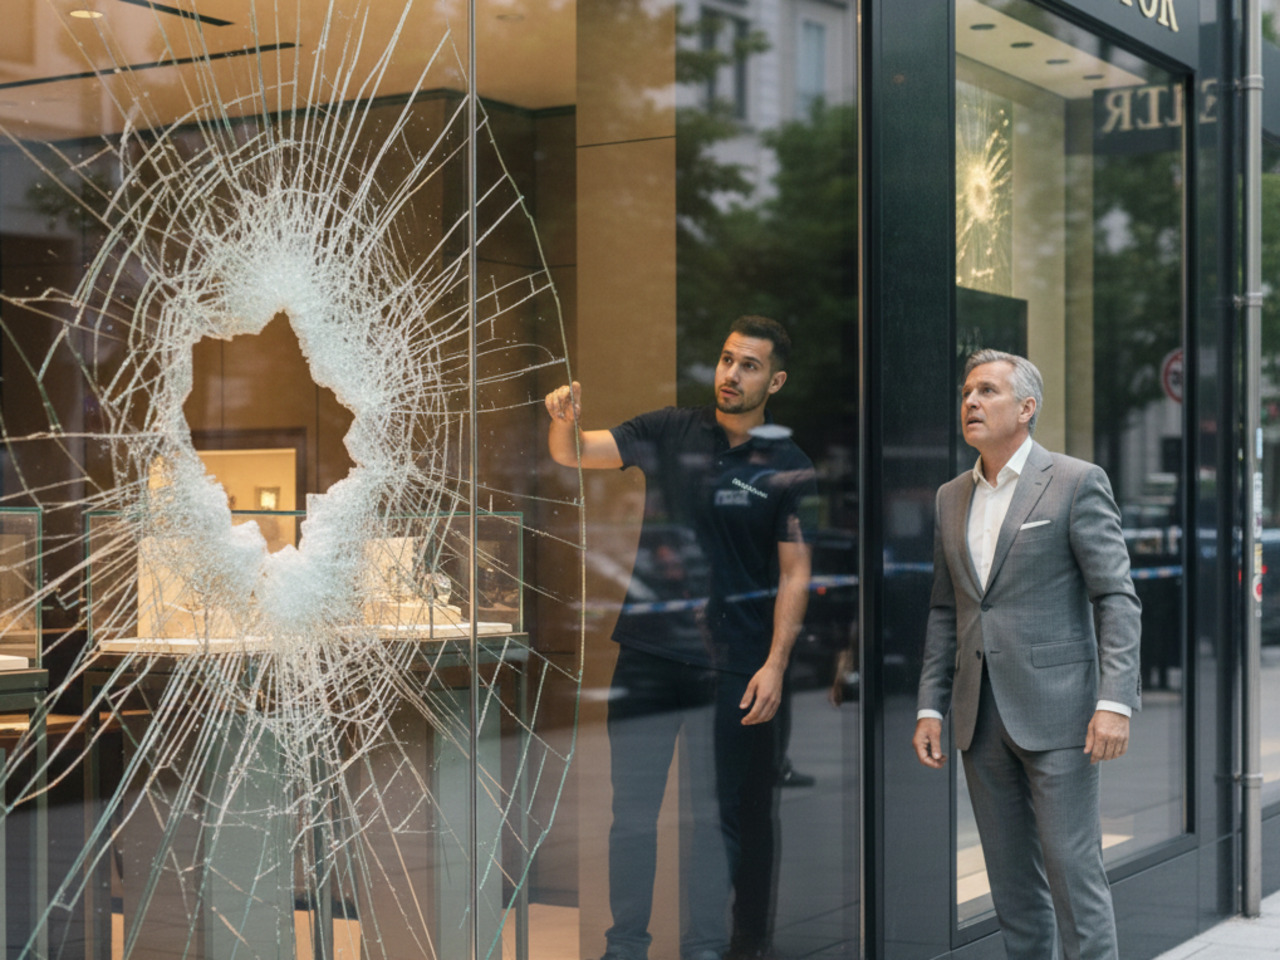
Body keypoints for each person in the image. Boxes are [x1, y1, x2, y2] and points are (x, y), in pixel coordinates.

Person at [546, 316, 815, 960]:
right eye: (726, 359)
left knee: (714, 821)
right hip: (647, 654)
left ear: (774, 380)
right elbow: (574, 452)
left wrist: (776, 664)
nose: (731, 374)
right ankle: (625, 947)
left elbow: (795, 570)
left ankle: (704, 948)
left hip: (732, 666)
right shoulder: (670, 429)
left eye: (749, 365)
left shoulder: (788, 465)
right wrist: (562, 416)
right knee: (631, 815)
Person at [912, 349, 1141, 960]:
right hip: (978, 716)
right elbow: (947, 608)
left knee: (1073, 875)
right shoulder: (949, 497)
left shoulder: (1075, 480)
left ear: (1026, 408)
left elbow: (1116, 596)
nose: (971, 402)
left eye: (987, 391)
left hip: (1062, 715)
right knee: (1011, 886)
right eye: (966, 392)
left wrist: (1115, 700)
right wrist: (930, 707)